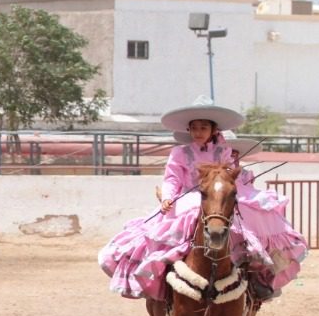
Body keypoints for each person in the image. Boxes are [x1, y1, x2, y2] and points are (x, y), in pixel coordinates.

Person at [98, 96, 307, 302]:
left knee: (247, 215)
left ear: (213, 130)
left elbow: (228, 176)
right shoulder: (179, 153)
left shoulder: (223, 151)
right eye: (195, 128)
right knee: (173, 226)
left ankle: (253, 272)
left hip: (216, 196)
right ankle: (163, 278)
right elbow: (172, 178)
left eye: (203, 128)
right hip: (187, 198)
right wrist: (168, 198)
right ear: (188, 130)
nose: (198, 132)